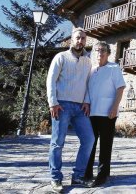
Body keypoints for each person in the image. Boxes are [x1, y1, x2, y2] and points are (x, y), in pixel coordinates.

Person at [46, 27, 95, 193]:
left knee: (89, 140)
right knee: (57, 142)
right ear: (71, 40)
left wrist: (87, 102)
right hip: (62, 105)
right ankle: (56, 178)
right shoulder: (61, 57)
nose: (80, 41)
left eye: (83, 38)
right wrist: (53, 102)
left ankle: (78, 176)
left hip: (80, 107)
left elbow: (89, 84)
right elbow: (50, 81)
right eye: (78, 38)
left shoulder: (88, 61)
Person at [84, 41, 126, 186]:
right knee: (90, 144)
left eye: (103, 50)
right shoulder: (91, 69)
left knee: (105, 145)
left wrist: (115, 107)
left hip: (108, 113)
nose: (99, 53)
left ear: (108, 53)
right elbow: (87, 90)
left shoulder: (114, 68)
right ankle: (87, 173)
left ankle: (102, 175)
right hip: (91, 113)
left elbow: (120, 88)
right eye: (97, 50)